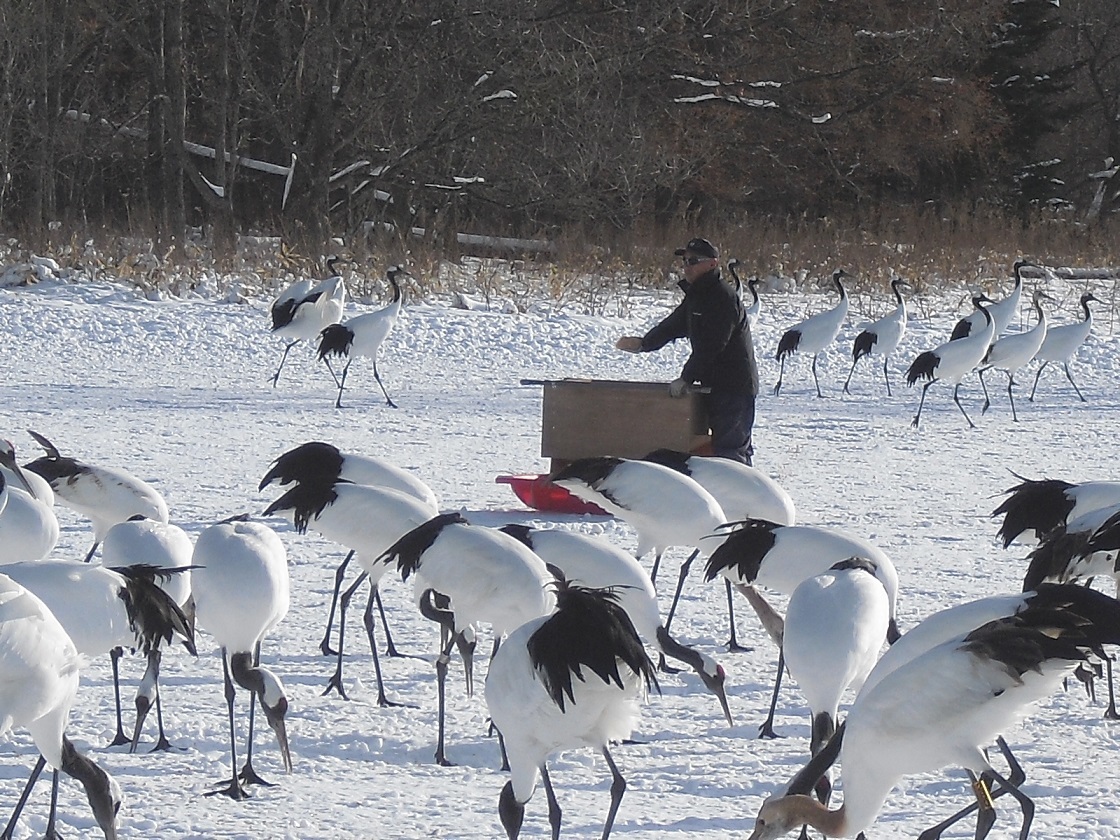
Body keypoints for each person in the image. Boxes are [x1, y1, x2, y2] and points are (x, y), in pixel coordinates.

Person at [616, 237, 760, 465]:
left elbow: (712, 346)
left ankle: (742, 500)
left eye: (693, 261)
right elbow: (673, 325)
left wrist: (686, 378)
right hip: (712, 387)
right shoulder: (697, 296)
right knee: (713, 452)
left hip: (734, 390)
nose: (687, 266)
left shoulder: (721, 298)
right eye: (684, 261)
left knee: (731, 454)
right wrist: (644, 343)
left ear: (712, 264)